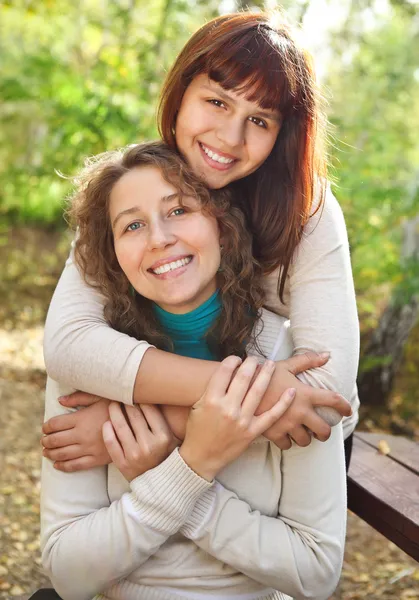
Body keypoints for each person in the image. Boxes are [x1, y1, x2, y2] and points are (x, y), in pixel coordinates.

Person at [41, 10, 358, 469]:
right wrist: (260, 386)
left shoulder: (307, 210)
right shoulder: (137, 186)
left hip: (294, 456)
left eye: (261, 120)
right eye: (217, 102)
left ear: (281, 135)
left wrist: (142, 422)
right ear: (180, 93)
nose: (229, 138)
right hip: (236, 426)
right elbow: (70, 345)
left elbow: (323, 399)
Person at [41, 141, 347, 600]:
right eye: (133, 225)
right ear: (114, 255)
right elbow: (67, 573)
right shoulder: (92, 366)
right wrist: (193, 462)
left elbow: (317, 569)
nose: (159, 238)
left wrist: (173, 469)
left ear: (222, 226)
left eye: (179, 210)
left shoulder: (286, 363)